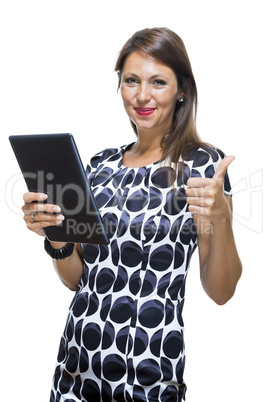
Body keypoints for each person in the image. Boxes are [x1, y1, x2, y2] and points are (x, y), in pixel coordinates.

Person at [22, 27, 242, 402]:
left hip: (149, 375)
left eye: (158, 82)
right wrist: (55, 234)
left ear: (182, 90)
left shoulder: (202, 165)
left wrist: (220, 219)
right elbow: (78, 281)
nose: (142, 95)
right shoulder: (99, 166)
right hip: (76, 371)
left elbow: (221, 292)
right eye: (131, 81)